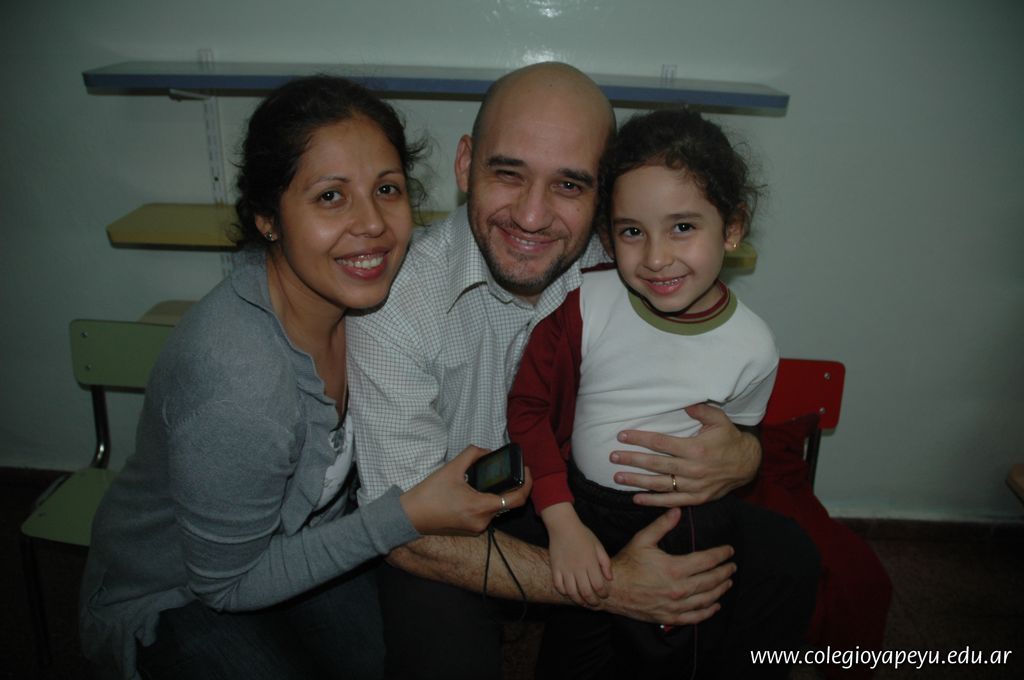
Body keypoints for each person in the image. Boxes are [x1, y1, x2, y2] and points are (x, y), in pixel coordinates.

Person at [348, 62, 818, 679]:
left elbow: (713, 383)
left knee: (788, 558)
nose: (532, 216)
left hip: (582, 495)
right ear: (465, 164)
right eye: (508, 173)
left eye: (569, 185)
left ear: (603, 199)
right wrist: (612, 585)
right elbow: (405, 531)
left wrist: (744, 455)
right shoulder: (394, 305)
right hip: (446, 531)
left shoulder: (628, 264)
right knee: (442, 650)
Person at [78, 75, 528, 680]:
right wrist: (406, 515)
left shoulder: (357, 299)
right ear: (268, 216)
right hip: (179, 593)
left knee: (401, 657)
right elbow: (225, 584)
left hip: (297, 543)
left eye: (387, 189)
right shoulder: (238, 379)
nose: (372, 224)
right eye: (330, 196)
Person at [508, 107, 805, 678]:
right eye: (632, 232)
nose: (656, 257)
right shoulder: (582, 301)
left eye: (683, 227)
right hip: (577, 511)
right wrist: (562, 524)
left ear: (732, 228)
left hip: (683, 523)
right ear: (608, 235)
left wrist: (740, 458)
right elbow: (527, 409)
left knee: (673, 660)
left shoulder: (754, 346)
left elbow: (739, 438)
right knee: (570, 658)